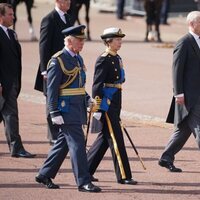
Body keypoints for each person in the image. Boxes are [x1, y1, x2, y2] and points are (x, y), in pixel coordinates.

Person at [35, 25, 101, 192]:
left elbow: (78, 86)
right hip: (65, 110)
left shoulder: (78, 58)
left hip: (76, 108)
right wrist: (54, 111)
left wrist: (87, 100)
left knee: (63, 143)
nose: (82, 43)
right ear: (70, 41)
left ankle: (45, 173)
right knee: (78, 145)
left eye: (83, 40)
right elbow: (51, 89)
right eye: (79, 40)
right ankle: (83, 182)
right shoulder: (58, 60)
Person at [87, 27, 137, 185]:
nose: (120, 42)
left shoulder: (117, 58)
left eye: (120, 39)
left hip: (115, 101)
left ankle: (85, 170)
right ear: (108, 42)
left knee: (105, 138)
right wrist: (98, 107)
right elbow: (97, 85)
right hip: (106, 104)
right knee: (116, 137)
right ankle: (124, 175)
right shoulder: (104, 59)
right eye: (117, 39)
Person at [158, 11, 200, 172]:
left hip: (198, 94)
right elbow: (176, 69)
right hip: (189, 96)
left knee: (183, 130)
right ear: (192, 24)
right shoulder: (184, 42)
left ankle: (166, 157)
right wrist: (179, 93)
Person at [0, 3, 36, 158]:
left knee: (7, 115)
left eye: (13, 14)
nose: (13, 17)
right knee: (11, 115)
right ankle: (17, 148)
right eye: (9, 14)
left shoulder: (12, 33)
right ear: (1, 16)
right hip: (3, 83)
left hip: (12, 82)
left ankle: (16, 147)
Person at [34, 0, 72, 145]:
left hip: (66, 67)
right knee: (52, 100)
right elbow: (43, 45)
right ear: (57, 1)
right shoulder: (49, 19)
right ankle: (53, 135)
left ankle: (61, 133)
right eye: (65, 0)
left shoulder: (68, 18)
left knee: (63, 98)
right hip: (52, 68)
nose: (68, 2)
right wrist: (45, 70)